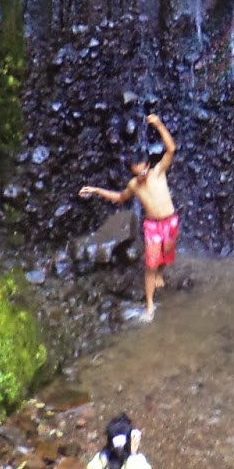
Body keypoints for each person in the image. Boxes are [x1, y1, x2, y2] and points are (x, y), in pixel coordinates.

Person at [79, 113, 179, 319]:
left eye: (143, 171)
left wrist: (159, 125)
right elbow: (119, 198)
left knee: (166, 255)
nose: (141, 176)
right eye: (137, 173)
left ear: (148, 166)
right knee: (150, 264)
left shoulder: (158, 171)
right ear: (132, 172)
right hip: (152, 225)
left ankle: (160, 273)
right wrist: (96, 191)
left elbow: (171, 149)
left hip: (170, 220)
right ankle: (150, 304)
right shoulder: (134, 184)